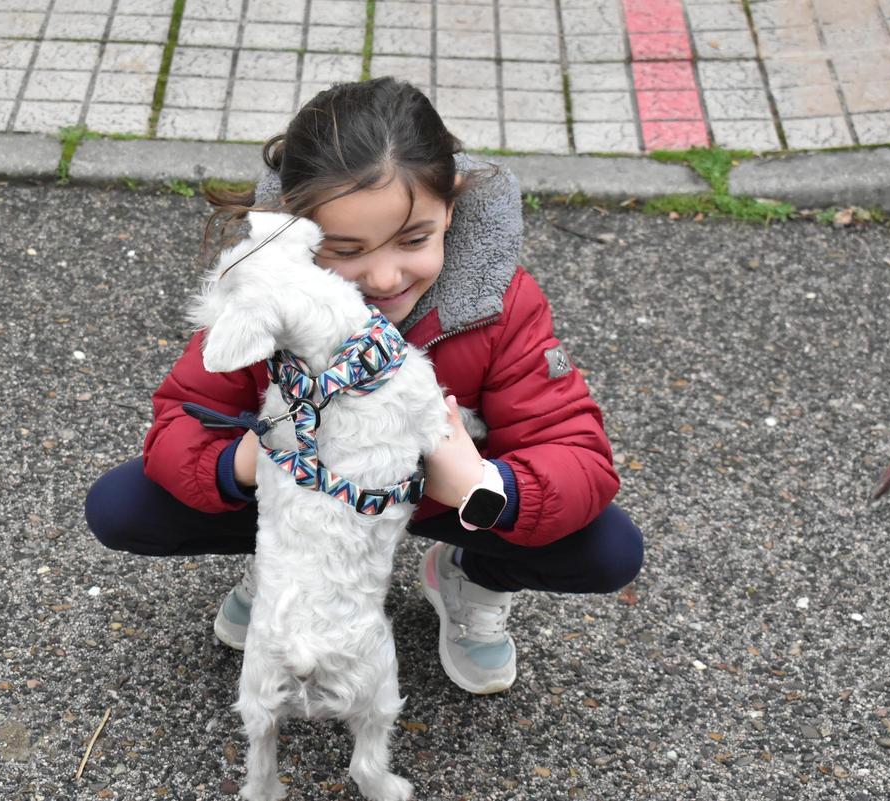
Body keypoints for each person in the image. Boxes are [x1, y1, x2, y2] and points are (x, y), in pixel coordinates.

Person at [85, 77, 643, 695]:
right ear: (296, 229)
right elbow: (178, 421)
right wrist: (251, 458)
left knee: (605, 549)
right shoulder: (273, 291)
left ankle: (469, 574)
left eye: (414, 240)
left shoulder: (498, 304)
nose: (383, 275)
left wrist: (481, 487)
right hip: (313, 489)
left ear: (450, 207)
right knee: (124, 506)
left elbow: (577, 452)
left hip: (440, 495)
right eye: (344, 249)